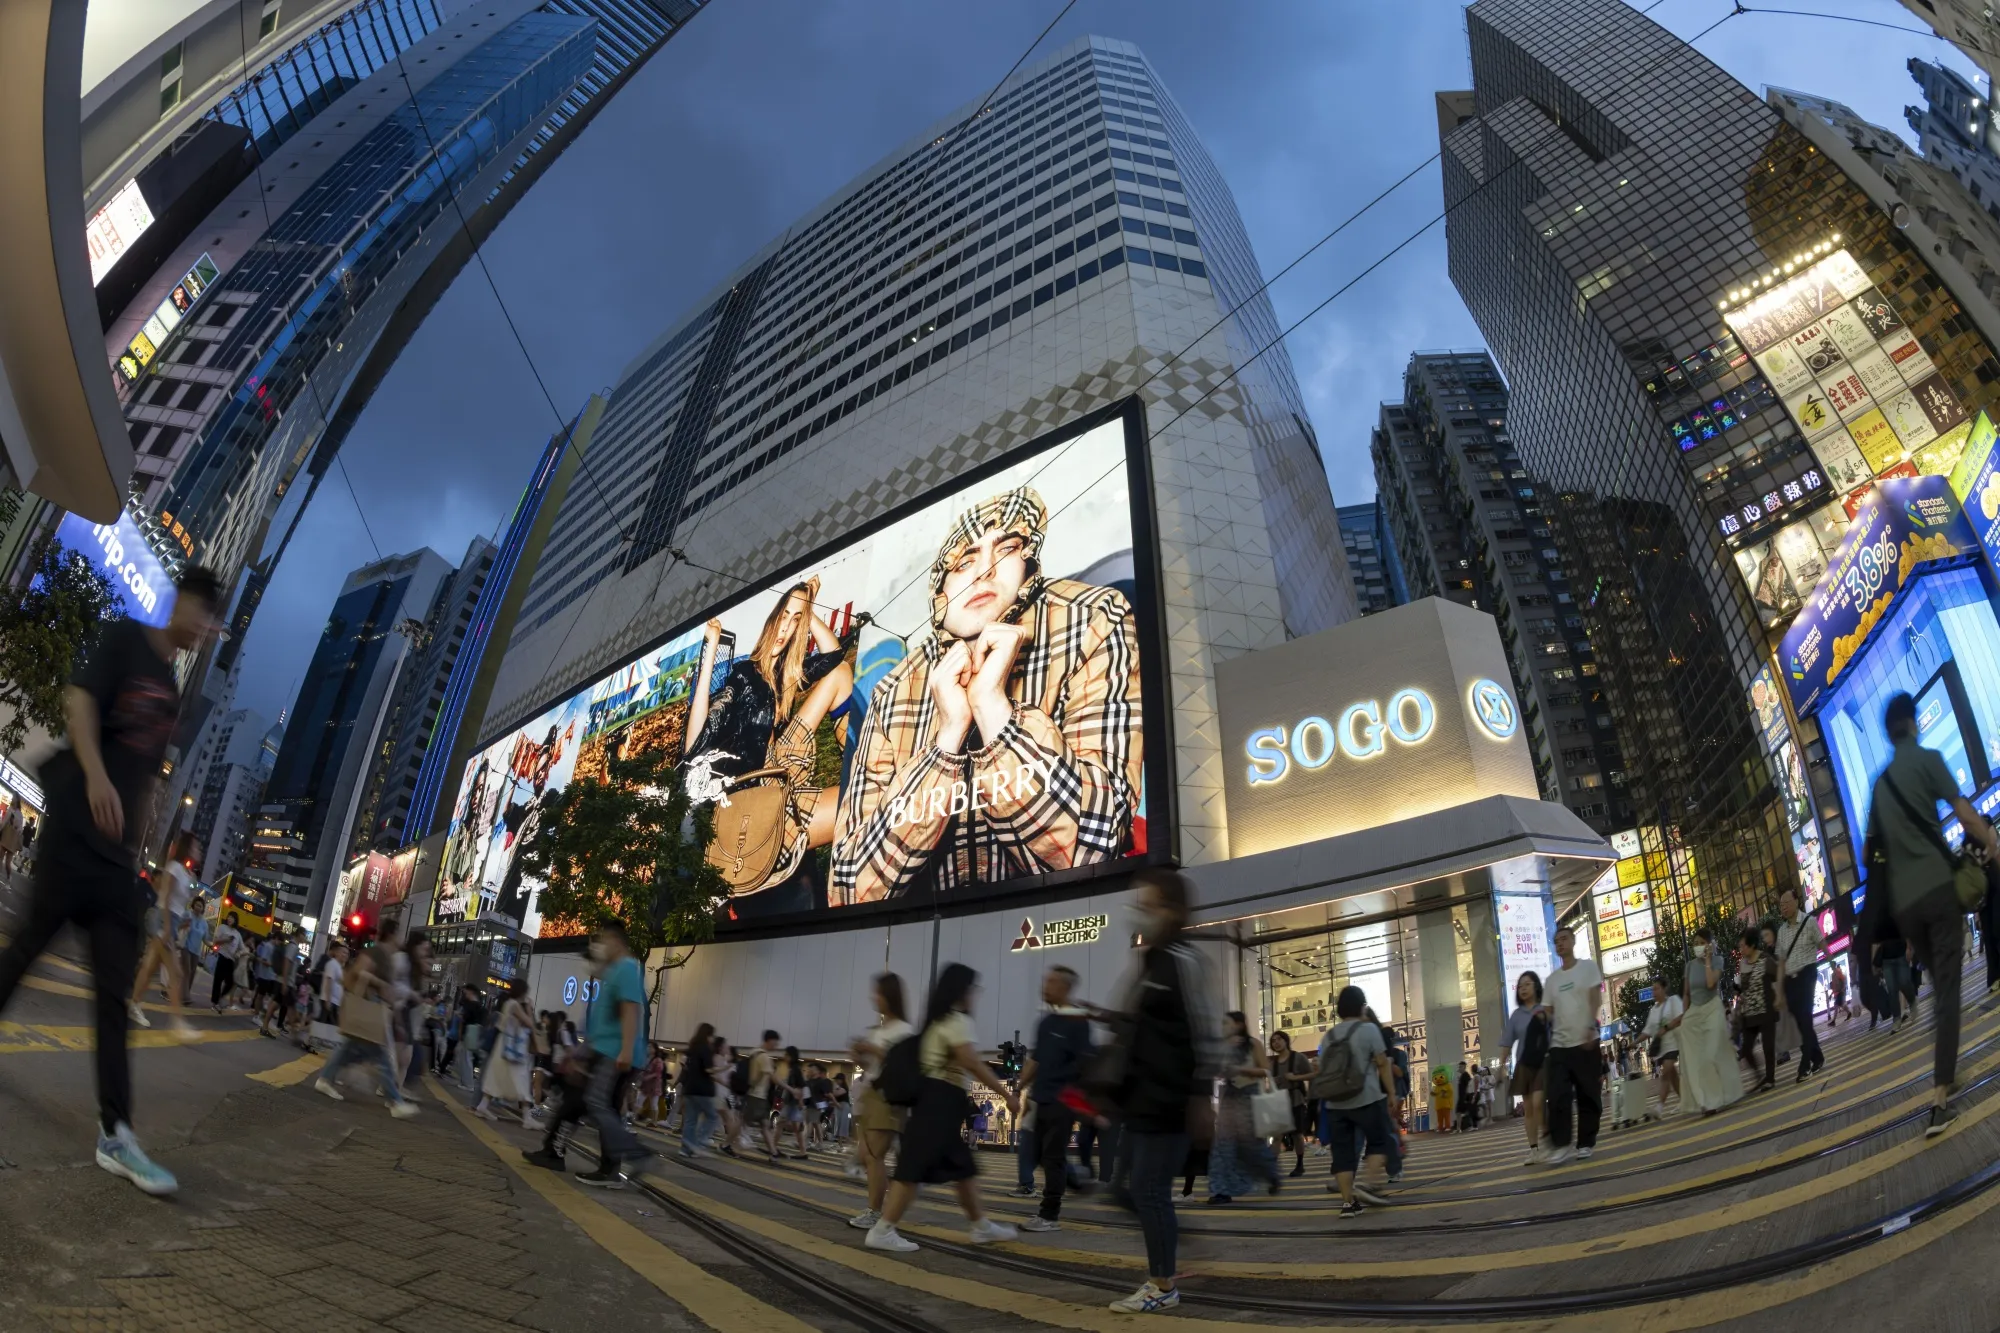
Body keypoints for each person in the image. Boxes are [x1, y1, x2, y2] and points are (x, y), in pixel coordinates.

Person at [0, 566, 224, 1197]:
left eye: (212, 625)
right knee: (23, 951)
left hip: (116, 862)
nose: (206, 632)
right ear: (183, 603)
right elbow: (79, 701)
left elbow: (150, 778)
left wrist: (141, 850)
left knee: (111, 996)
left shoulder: (174, 693)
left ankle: (117, 1133)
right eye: (204, 617)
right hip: (73, 833)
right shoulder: (126, 639)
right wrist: (96, 775)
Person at [833, 486, 1144, 905]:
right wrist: (946, 741)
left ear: (1028, 558)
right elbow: (850, 889)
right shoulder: (893, 690)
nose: (983, 572)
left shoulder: (1091, 618)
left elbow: (1093, 845)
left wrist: (994, 710)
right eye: (964, 562)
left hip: (1064, 931)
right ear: (940, 590)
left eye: (1006, 548)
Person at [1864, 690, 2000, 1135]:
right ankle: (1940, 1099)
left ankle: (1944, 1055)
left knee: (1940, 988)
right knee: (1946, 995)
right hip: (1940, 894)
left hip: (1904, 909)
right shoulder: (1928, 759)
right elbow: (1965, 815)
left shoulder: (1881, 786)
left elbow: (1869, 852)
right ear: (1915, 722)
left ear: (1888, 731)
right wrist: (1991, 844)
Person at [1097, 868, 1221, 1315]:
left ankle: (1161, 1283)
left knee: (1149, 1191)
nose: (1138, 914)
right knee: (1122, 1189)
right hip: (1141, 1096)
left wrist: (1201, 1098)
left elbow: (1204, 1031)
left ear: (1172, 911)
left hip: (1169, 1097)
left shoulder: (1183, 961)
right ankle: (1169, 1243)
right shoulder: (1151, 960)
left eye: (1147, 906)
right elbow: (1141, 1027)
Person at [682, 579, 856, 894]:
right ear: (772, 619)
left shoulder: (784, 674)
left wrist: (810, 608)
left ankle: (860, 760)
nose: (786, 627)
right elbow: (695, 744)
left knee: (839, 673)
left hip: (781, 761)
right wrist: (710, 651)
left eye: (795, 619)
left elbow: (832, 656)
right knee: (857, 802)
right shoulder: (745, 675)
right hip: (752, 795)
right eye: (784, 615)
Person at [863, 963, 1020, 1253]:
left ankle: (981, 1226)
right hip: (940, 1098)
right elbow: (970, 1061)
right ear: (962, 990)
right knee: (913, 1167)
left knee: (962, 1167)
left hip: (939, 1099)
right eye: (973, 989)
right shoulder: (957, 1020)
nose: (975, 995)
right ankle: (883, 1230)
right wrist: (1007, 1094)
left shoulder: (936, 1021)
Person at [1012, 965, 1093, 1230]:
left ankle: (1049, 1216)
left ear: (1066, 988)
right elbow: (1035, 1059)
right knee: (1034, 1154)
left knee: (1053, 1157)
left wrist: (1077, 1099)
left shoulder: (1078, 1021)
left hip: (1063, 1099)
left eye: (1052, 982)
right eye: (1046, 980)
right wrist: (1019, 1088)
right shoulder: (1045, 1022)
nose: (1045, 986)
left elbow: (1085, 1063)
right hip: (1039, 1099)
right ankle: (1076, 1180)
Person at [313, 931, 423, 1117]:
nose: (400, 940)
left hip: (371, 1010)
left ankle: (325, 1079)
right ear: (390, 937)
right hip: (367, 1009)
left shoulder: (387, 957)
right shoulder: (376, 954)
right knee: (382, 1058)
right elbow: (360, 973)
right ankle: (395, 1101)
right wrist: (381, 984)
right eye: (397, 935)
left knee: (349, 1051)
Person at [574, 920, 649, 1186]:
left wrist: (626, 1050)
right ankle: (610, 1170)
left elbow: (631, 1009)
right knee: (605, 1109)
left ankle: (636, 1154)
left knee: (596, 1103)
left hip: (616, 1052)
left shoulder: (627, 967)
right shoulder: (616, 970)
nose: (601, 946)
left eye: (604, 939)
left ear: (615, 941)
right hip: (609, 1050)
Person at [1318, 985, 1400, 1217]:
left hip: (1336, 1103)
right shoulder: (1368, 1030)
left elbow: (1323, 1069)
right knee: (1379, 1142)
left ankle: (1348, 1204)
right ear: (1362, 1005)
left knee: (1342, 1154)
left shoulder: (1329, 1036)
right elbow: (1383, 1063)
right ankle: (1370, 1184)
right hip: (1367, 1098)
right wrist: (1391, 1093)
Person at [847, 973, 913, 1229]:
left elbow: (902, 1064)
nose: (873, 997)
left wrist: (872, 1049)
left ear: (889, 996)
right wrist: (859, 1057)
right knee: (867, 1155)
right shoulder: (880, 1029)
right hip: (871, 1094)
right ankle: (880, 1206)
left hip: (889, 1097)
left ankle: (875, 1211)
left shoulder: (904, 1031)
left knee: (874, 1156)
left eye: (877, 992)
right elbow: (872, 1065)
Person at [1540, 925, 1603, 1166]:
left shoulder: (1588, 968)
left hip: (1586, 1040)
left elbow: (1595, 997)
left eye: (1564, 939)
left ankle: (1586, 1143)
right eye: (1556, 941)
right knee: (1557, 1095)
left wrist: (1591, 1023)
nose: (1560, 944)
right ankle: (1561, 1144)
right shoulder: (1552, 980)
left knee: (1589, 1094)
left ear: (1573, 941)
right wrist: (1539, 1018)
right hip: (1559, 1045)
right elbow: (1547, 1011)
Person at [128, 835, 197, 1037]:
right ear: (187, 848)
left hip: (171, 921)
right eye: (196, 847)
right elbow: (165, 897)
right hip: (163, 919)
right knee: (176, 973)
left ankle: (134, 1004)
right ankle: (177, 1023)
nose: (198, 851)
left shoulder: (186, 873)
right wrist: (167, 927)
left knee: (150, 968)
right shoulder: (175, 868)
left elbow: (179, 904)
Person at [1774, 889, 1826, 1080]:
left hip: (1808, 973)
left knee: (1805, 1018)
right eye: (1781, 905)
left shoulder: (1809, 922)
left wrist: (1832, 961)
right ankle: (1818, 1056)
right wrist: (1779, 991)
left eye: (1786, 903)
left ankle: (1805, 1066)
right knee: (1801, 1022)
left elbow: (1821, 942)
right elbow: (1780, 963)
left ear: (1796, 902)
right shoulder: (1781, 931)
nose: (1784, 907)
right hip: (1790, 980)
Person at [1500, 971, 1550, 1163]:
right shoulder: (1516, 1015)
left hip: (1543, 1062)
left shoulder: (1545, 1010)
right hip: (1523, 1064)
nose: (1523, 989)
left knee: (1538, 1103)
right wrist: (1501, 1066)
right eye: (1520, 986)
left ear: (1536, 986)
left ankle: (1548, 1141)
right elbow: (1507, 1042)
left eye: (1527, 985)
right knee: (1528, 1108)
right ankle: (1534, 1149)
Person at [475, 980, 536, 1125]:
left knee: (496, 1076)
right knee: (521, 1078)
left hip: (502, 1046)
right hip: (512, 1049)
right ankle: (527, 1118)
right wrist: (529, 1007)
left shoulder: (508, 1003)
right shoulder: (515, 1004)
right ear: (523, 992)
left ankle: (482, 1106)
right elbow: (530, 1023)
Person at [1735, 929, 1780, 1091]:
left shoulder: (1765, 960)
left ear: (1752, 945)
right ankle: (1759, 1075)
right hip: (1749, 1013)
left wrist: (1779, 996)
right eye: (1740, 946)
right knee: (1746, 1049)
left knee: (1768, 1046)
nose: (1741, 950)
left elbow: (1779, 976)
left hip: (1766, 1009)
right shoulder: (1743, 964)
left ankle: (1770, 1078)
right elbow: (1743, 987)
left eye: (1743, 946)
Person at [1268, 1030, 1312, 1178]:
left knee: (1297, 1134)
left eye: (1279, 1039)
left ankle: (1300, 1164)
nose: (1277, 1042)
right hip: (1279, 1101)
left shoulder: (1299, 1058)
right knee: (1277, 1135)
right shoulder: (1272, 1063)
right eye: (1273, 1041)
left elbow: (1313, 1074)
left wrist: (1296, 1078)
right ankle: (1272, 1167)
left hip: (1296, 1099)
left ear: (1286, 1041)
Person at [677, 1023, 722, 1157]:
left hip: (689, 1088)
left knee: (690, 1120)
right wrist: (723, 1069)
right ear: (708, 1035)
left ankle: (685, 1149)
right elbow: (708, 1070)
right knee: (713, 1116)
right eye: (712, 1035)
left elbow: (685, 1067)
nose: (713, 1039)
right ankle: (698, 1143)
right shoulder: (705, 1049)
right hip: (702, 1089)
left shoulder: (691, 1049)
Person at [1643, 985, 1684, 1121]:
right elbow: (1647, 1030)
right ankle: (1684, 1100)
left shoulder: (1673, 1001)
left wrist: (1666, 1028)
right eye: (1652, 989)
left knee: (1666, 1072)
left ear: (1664, 989)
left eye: (1656, 988)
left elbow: (1680, 1017)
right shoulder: (1653, 1010)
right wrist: (1634, 1042)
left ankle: (1659, 1107)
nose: (1653, 992)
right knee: (1672, 1074)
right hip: (1663, 1048)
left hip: (1674, 1043)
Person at [747, 1031, 784, 1164]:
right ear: (769, 1040)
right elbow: (771, 1077)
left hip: (756, 1095)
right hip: (756, 1095)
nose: (776, 1045)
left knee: (764, 1125)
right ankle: (727, 1144)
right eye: (775, 1042)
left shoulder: (754, 1052)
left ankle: (773, 1153)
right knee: (741, 1122)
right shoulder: (764, 1056)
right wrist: (789, 1088)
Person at [178, 895, 211, 1005]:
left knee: (192, 973)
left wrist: (212, 945)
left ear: (203, 908)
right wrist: (184, 924)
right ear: (193, 905)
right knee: (187, 971)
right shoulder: (187, 914)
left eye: (200, 906)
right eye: (197, 905)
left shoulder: (204, 923)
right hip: (185, 947)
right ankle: (186, 997)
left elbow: (205, 939)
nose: (198, 907)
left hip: (196, 951)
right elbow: (178, 926)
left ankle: (183, 995)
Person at [455, 985, 488, 1090]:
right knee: (467, 1058)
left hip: (468, 1034)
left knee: (465, 1058)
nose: (465, 995)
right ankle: (466, 1082)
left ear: (471, 992)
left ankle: (468, 1084)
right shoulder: (481, 1007)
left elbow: (463, 1020)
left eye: (466, 993)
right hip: (475, 1035)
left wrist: (460, 1033)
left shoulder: (468, 1006)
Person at [320, 941, 347, 1025]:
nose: (345, 955)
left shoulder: (339, 967)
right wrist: (328, 1000)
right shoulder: (332, 964)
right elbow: (329, 981)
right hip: (329, 1000)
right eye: (343, 952)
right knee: (324, 1025)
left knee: (327, 1026)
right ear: (337, 953)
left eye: (347, 954)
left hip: (335, 1002)